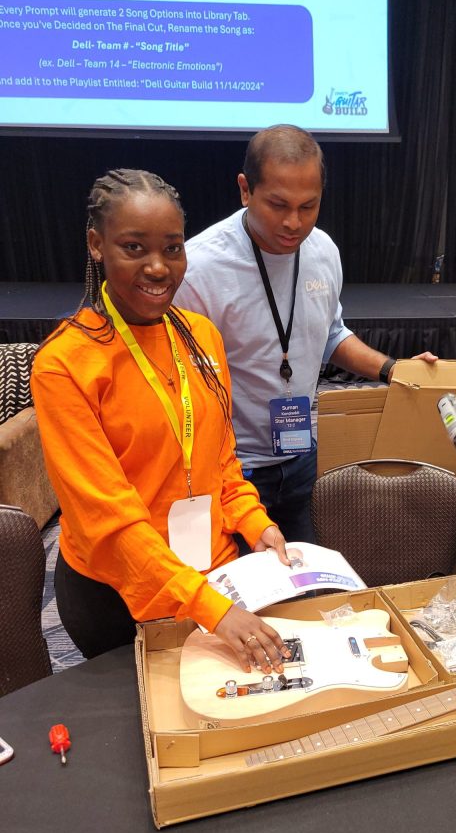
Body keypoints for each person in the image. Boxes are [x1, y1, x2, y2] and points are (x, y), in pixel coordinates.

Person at [31, 168, 293, 673]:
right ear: (96, 245)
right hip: (119, 597)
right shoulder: (66, 363)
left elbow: (221, 462)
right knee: (139, 738)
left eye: (173, 248)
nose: (159, 267)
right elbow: (110, 521)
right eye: (134, 248)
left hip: (212, 579)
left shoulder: (201, 337)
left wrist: (256, 526)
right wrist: (213, 610)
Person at [175, 124, 436, 544]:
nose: (293, 223)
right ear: (245, 190)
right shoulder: (200, 269)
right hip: (231, 472)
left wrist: (393, 369)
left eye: (308, 206)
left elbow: (331, 334)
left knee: (310, 588)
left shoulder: (323, 251)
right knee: (244, 600)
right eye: (278, 205)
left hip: (302, 458)